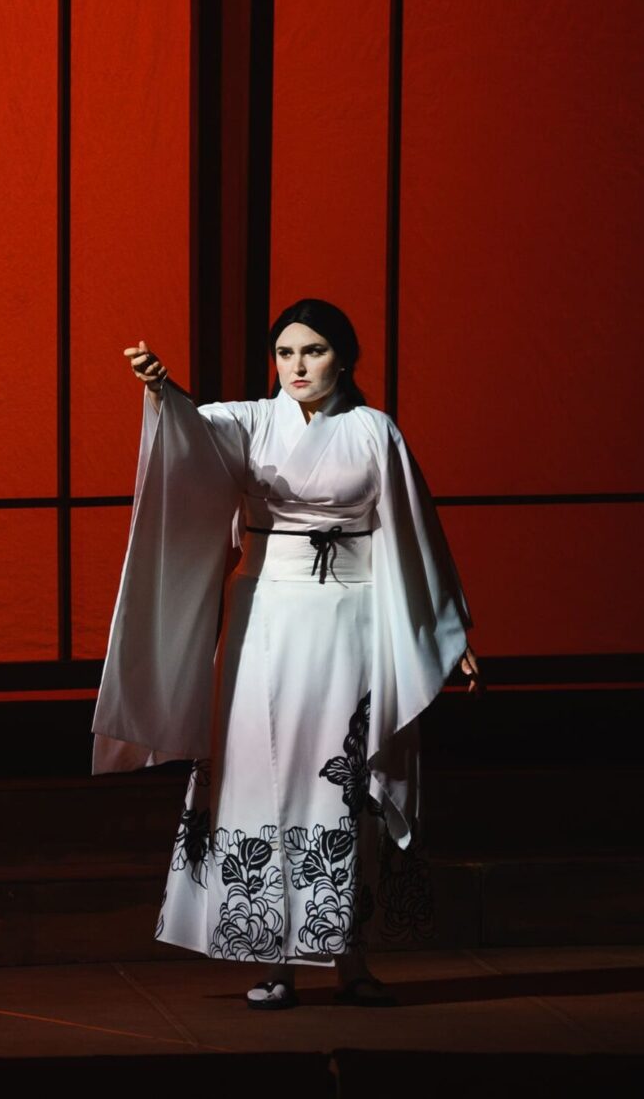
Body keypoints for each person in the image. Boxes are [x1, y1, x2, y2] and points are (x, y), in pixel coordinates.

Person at [93, 298, 478, 1010]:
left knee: (344, 777)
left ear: (345, 359)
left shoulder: (374, 430)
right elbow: (192, 437)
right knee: (256, 768)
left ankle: (351, 957)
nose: (298, 366)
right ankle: (274, 958)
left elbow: (414, 532)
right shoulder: (249, 420)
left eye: (315, 351)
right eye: (286, 353)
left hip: (352, 617)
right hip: (265, 613)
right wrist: (163, 391)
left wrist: (441, 632)